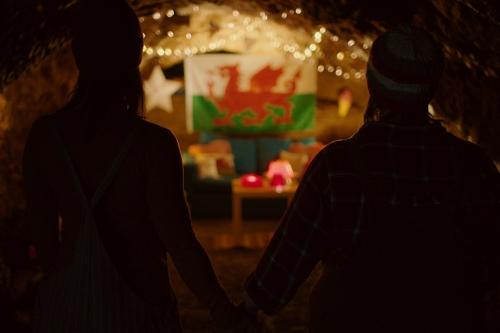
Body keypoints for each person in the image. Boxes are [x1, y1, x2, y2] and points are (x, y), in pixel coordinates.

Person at [23, 1, 262, 332]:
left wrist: (70, 285)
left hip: (66, 306)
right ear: (136, 53)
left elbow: (42, 235)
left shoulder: (44, 137)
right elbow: (179, 242)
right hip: (141, 306)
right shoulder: (153, 144)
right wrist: (222, 309)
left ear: (77, 53)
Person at [242, 25, 500, 332]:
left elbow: (288, 257)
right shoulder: (475, 165)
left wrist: (249, 309)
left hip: (351, 318)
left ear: (372, 86)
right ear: (434, 88)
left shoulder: (335, 165)